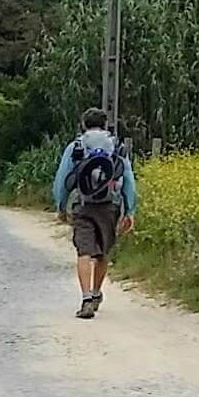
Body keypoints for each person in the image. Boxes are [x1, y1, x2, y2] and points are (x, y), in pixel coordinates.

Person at [51, 108, 138, 319]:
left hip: (83, 205)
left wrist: (61, 206)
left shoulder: (76, 146)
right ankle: (97, 292)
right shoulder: (116, 146)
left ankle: (86, 298)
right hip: (110, 206)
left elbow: (63, 179)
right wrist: (130, 210)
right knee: (102, 253)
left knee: (84, 252)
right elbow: (128, 179)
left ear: (83, 125)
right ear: (106, 124)